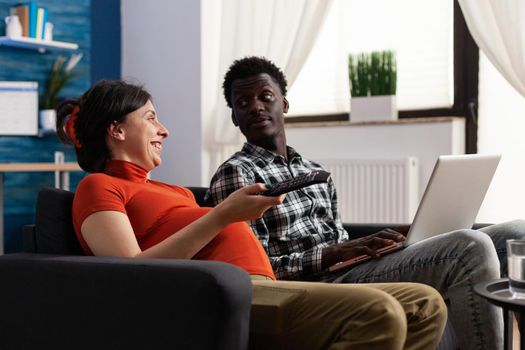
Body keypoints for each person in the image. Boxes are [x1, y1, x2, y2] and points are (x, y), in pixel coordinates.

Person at [56, 79, 446, 350]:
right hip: (224, 298)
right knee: (379, 313)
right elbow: (129, 275)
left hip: (268, 284)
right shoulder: (98, 186)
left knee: (425, 303)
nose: (165, 130)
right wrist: (223, 215)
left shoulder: (169, 190)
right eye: (151, 118)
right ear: (117, 130)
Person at [205, 56, 525, 350]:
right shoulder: (237, 174)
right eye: (243, 102)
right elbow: (255, 272)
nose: (255, 107)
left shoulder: (314, 171)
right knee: (469, 247)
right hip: (319, 285)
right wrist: (336, 253)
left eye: (265, 96)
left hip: (349, 269)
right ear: (234, 117)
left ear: (284, 103)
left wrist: (384, 241)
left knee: (517, 234)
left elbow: (339, 242)